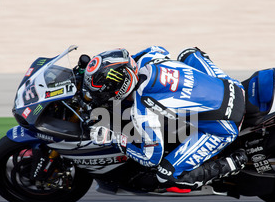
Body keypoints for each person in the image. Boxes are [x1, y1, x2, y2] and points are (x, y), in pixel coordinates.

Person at [85, 46, 247, 192]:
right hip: (232, 86)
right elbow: (159, 49)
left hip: (224, 125)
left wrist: (114, 139)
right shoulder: (148, 58)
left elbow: (151, 158)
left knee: (165, 174)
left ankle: (232, 163)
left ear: (120, 86)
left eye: (102, 93)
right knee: (187, 53)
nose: (100, 97)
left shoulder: (143, 110)